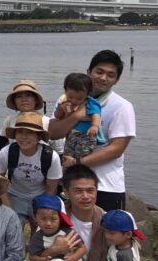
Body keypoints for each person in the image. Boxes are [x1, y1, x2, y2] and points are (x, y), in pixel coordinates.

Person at [48, 50, 135, 211]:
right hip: (70, 183)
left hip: (105, 186)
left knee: (106, 235)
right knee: (69, 234)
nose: (103, 78)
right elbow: (53, 132)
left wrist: (78, 163)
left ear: (116, 80)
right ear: (89, 72)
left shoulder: (122, 107)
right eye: (99, 72)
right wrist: (76, 117)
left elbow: (116, 149)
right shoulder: (68, 99)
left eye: (110, 75)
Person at [0, 111, 62, 224]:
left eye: (30, 133)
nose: (24, 137)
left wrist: (42, 208)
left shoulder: (51, 156)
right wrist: (9, 209)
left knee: (41, 229)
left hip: (41, 195)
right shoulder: (6, 153)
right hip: (14, 195)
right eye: (20, 132)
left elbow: (51, 188)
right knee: (12, 228)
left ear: (39, 136)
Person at [28, 193, 86, 261]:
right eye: (43, 219)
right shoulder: (37, 237)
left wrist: (73, 258)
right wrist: (44, 260)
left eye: (53, 219)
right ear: (35, 218)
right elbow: (33, 258)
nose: (48, 223)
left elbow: (83, 248)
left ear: (60, 218)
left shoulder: (68, 232)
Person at [0, 79, 64, 154]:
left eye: (28, 95)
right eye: (19, 96)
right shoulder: (9, 121)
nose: (24, 99)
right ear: (14, 101)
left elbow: (60, 152)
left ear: (35, 100)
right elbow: (1, 148)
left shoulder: (48, 122)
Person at [55, 72, 106, 160]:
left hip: (86, 135)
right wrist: (60, 109)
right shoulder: (65, 102)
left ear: (88, 94)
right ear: (65, 90)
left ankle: (79, 165)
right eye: (70, 97)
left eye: (79, 99)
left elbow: (96, 114)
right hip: (71, 134)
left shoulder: (90, 102)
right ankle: (68, 168)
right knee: (67, 154)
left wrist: (95, 125)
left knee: (82, 154)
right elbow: (58, 116)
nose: (74, 101)